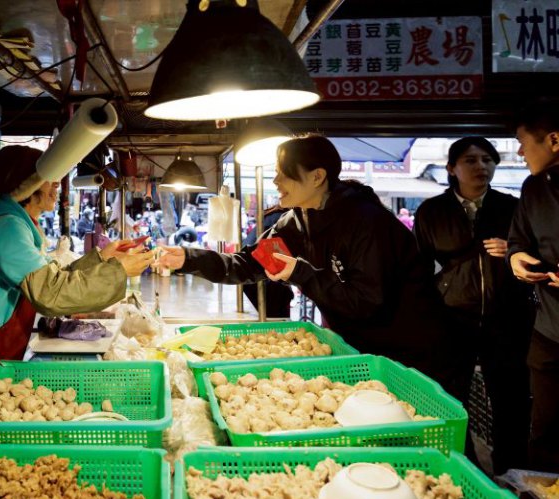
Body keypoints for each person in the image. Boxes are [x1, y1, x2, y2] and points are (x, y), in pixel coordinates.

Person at [157, 135, 452, 384]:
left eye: (283, 173)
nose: (276, 181)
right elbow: (248, 264)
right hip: (361, 349)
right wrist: (189, 259)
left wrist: (301, 273)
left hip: (411, 352)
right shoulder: (294, 222)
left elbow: (366, 302)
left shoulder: (366, 222)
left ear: (317, 176)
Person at [0, 145, 153, 414]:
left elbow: (53, 278)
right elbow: (51, 293)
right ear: (27, 185)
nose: (56, 186)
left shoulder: (17, 225)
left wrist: (103, 258)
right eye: (48, 179)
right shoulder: (7, 229)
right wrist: (118, 271)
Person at [413, 136, 533, 474]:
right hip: (452, 318)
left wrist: (513, 249)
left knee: (511, 399)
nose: (481, 166)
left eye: (487, 159)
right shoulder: (432, 211)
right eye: (470, 160)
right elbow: (419, 267)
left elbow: (537, 252)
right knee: (451, 398)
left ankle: (510, 473)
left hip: (507, 316)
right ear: (452, 168)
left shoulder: (512, 207)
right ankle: (461, 466)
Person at [508, 101, 559, 471]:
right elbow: (518, 240)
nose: (520, 153)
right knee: (544, 432)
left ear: (554, 140)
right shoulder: (534, 187)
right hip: (549, 332)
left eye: (523, 143)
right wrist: (516, 259)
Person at [242, 204, 293, 318]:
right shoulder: (283, 219)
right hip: (266, 287)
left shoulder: (272, 216)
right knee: (276, 326)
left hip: (254, 283)